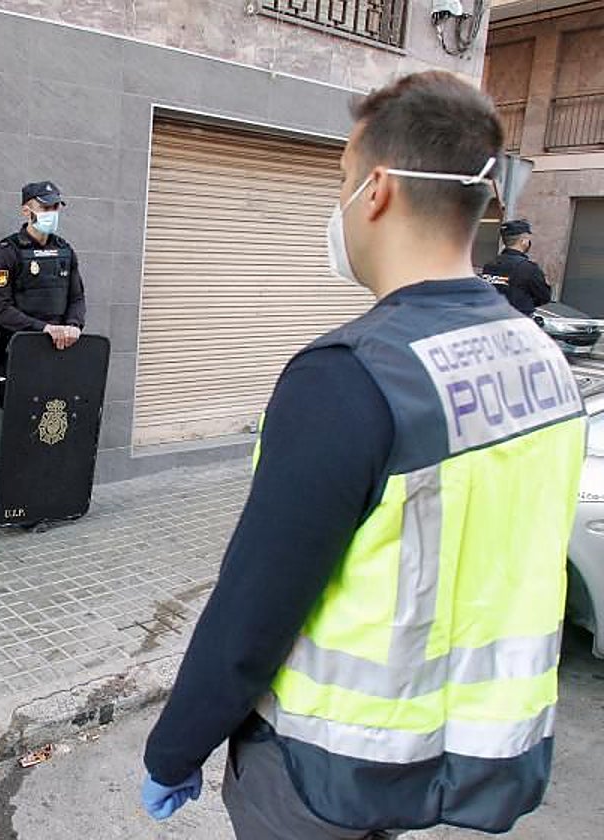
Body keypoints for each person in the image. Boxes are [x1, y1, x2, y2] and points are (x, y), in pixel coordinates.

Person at [140, 72, 585, 839]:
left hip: (325, 769)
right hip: (470, 753)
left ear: (376, 190)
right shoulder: (542, 359)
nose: (337, 203)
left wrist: (174, 748)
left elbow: (256, 607)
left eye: (342, 180)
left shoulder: (350, 376)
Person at [0, 181, 86, 407]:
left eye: (56, 208)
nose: (52, 213)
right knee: (22, 421)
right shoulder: (8, 251)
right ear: (26, 211)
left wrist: (74, 325)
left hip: (60, 350)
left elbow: (77, 298)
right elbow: (0, 308)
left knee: (55, 418)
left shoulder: (65, 250)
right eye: (45, 208)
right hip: (21, 349)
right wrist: (44, 328)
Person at [482, 218, 551, 316]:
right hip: (517, 322)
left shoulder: (489, 266)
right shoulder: (528, 268)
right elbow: (544, 297)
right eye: (528, 239)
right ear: (523, 241)